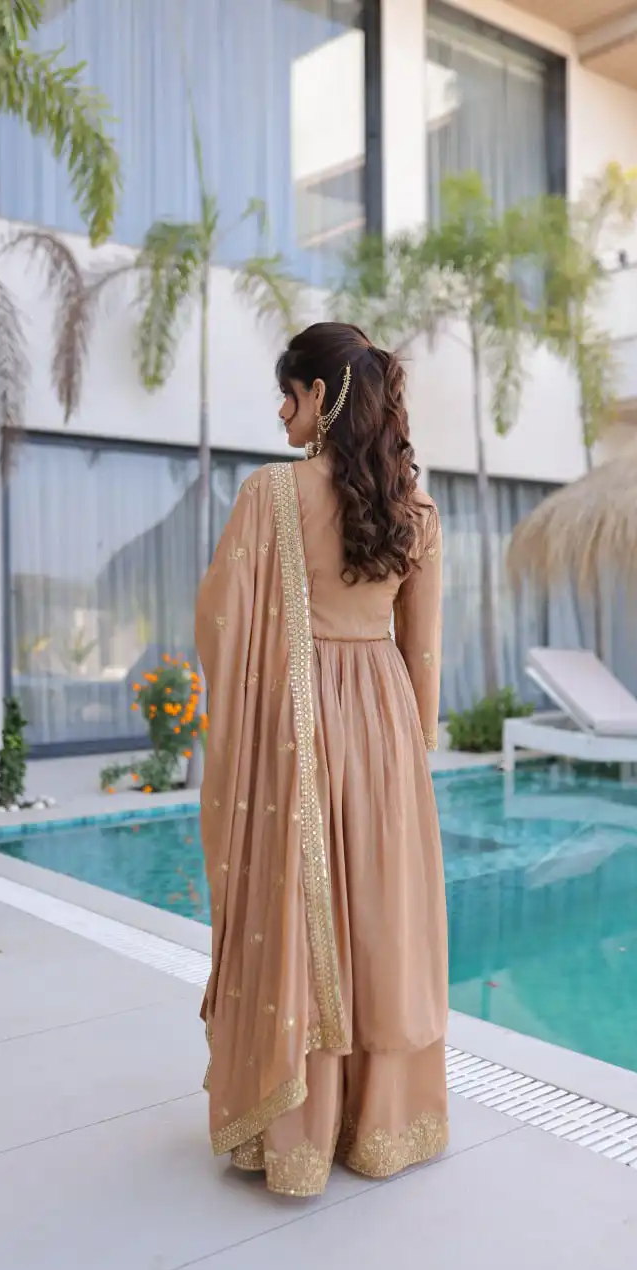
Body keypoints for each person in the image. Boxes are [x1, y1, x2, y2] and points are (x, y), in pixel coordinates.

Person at [195, 321, 448, 1198]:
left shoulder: (271, 494)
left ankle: (298, 1130)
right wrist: (409, 753)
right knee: (378, 914)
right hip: (384, 724)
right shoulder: (416, 510)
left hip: (297, 728)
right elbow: (423, 652)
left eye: (288, 394)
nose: (281, 412)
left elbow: (222, 624)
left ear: (321, 395)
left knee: (301, 909)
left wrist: (258, 713)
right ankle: (380, 1125)